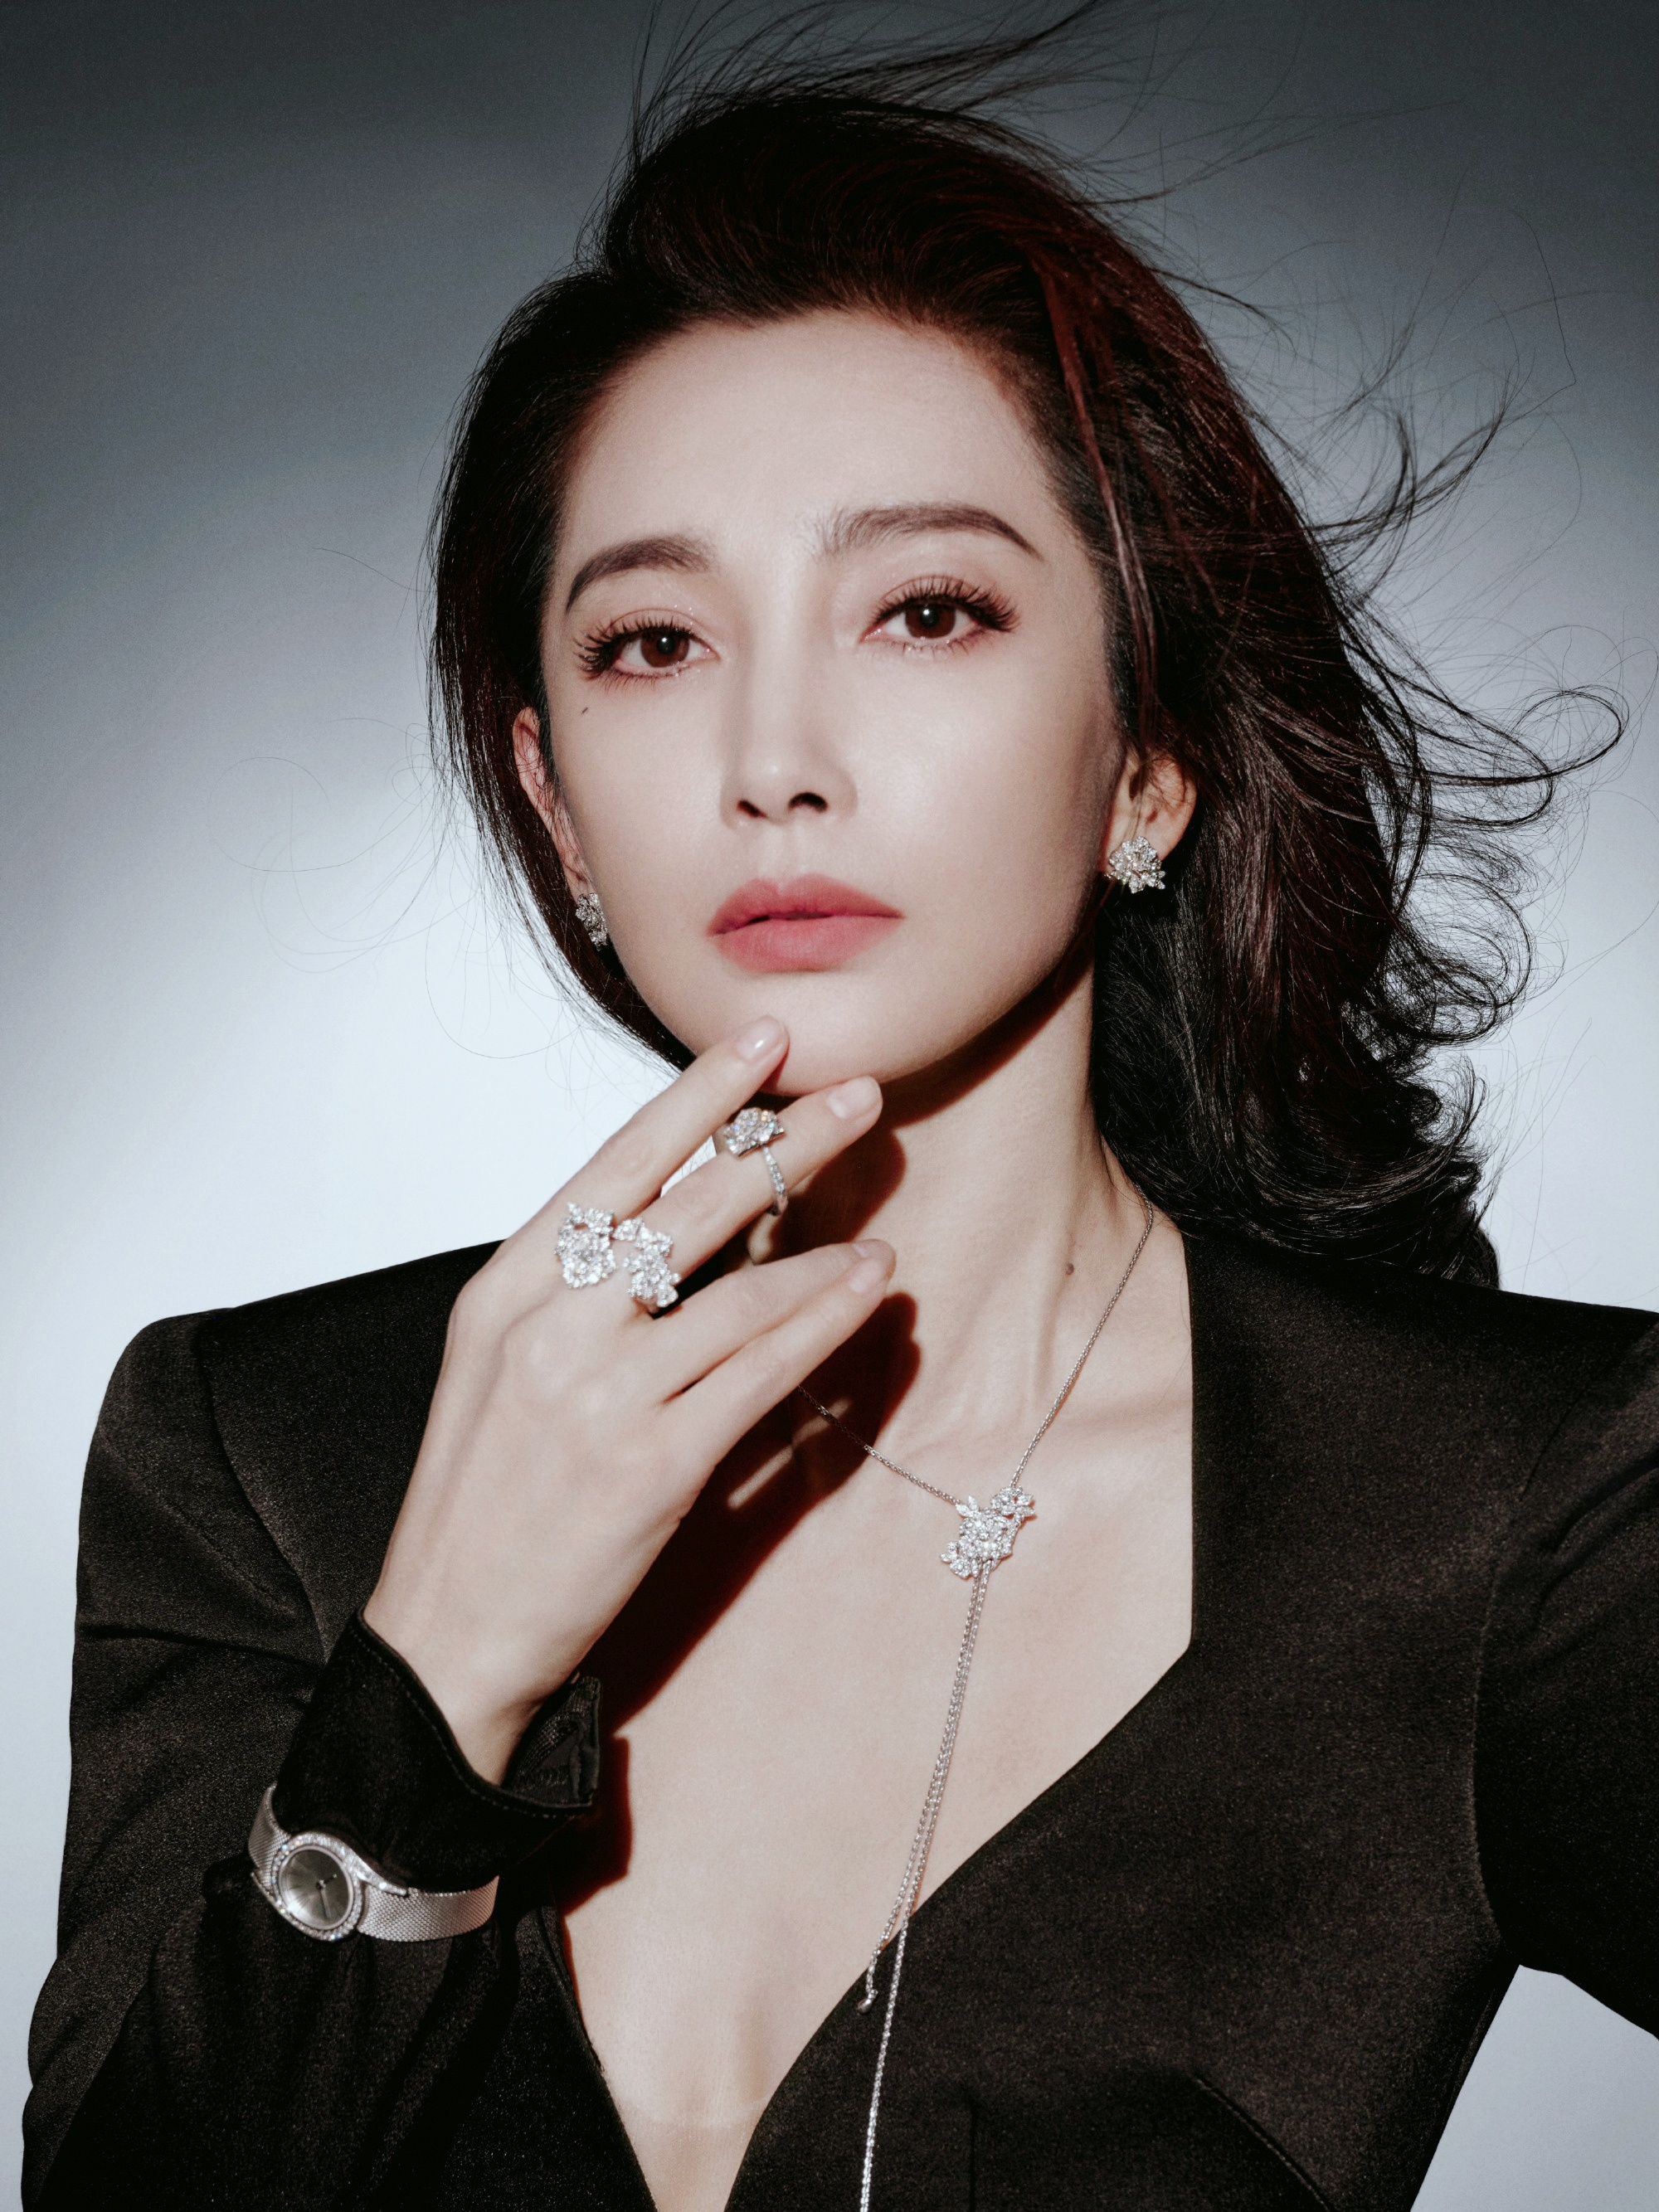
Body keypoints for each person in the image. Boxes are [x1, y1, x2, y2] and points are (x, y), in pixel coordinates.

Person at [24, 31, 1657, 2212]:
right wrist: (436, 1676)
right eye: (652, 642)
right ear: (553, 800)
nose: (775, 755)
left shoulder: (1501, 1502)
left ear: (1149, 757)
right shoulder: (258, 1447)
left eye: (928, 608)